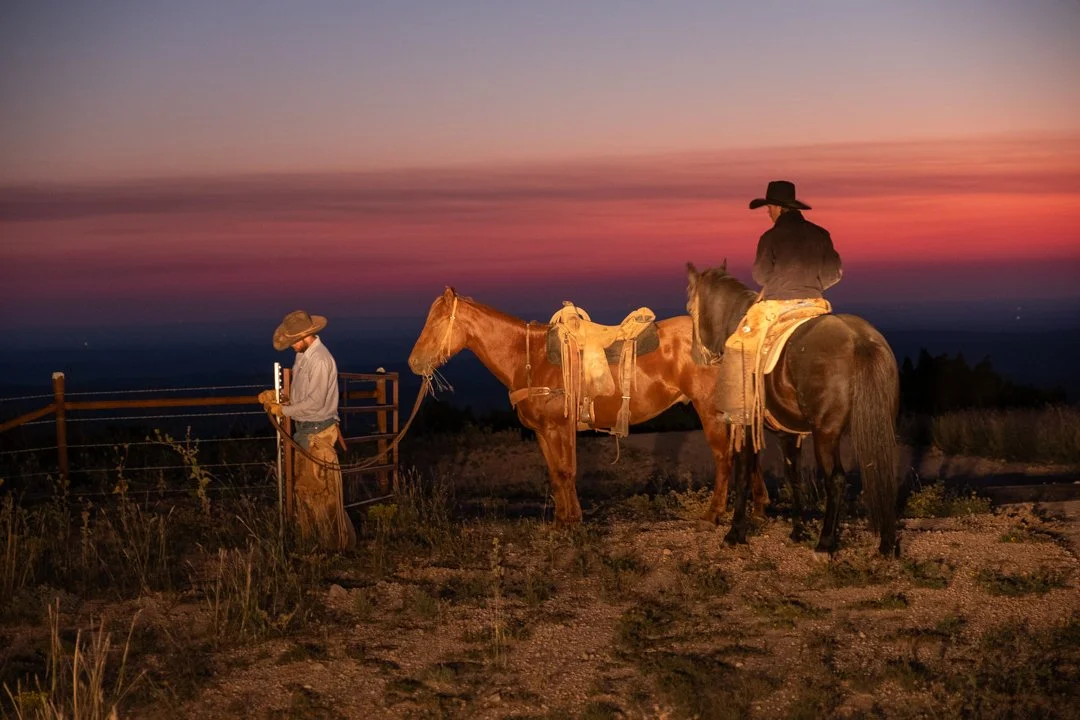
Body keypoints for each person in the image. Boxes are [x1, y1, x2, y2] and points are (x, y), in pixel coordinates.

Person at [717, 180, 842, 431]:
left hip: (776, 306)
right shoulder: (821, 234)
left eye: (769, 208)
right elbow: (835, 273)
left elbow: (761, 276)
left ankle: (738, 411)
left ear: (777, 207)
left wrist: (784, 284)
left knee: (737, 344)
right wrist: (810, 286)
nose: (767, 212)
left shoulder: (770, 237)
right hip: (815, 304)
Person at [259, 310, 355, 551]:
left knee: (318, 489)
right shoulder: (305, 356)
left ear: (305, 336)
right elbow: (302, 394)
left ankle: (329, 545)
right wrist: (281, 399)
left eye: (294, 341)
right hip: (308, 429)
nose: (292, 346)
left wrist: (283, 411)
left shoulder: (321, 360)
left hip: (316, 431)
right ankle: (316, 542)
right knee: (307, 488)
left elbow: (315, 403)